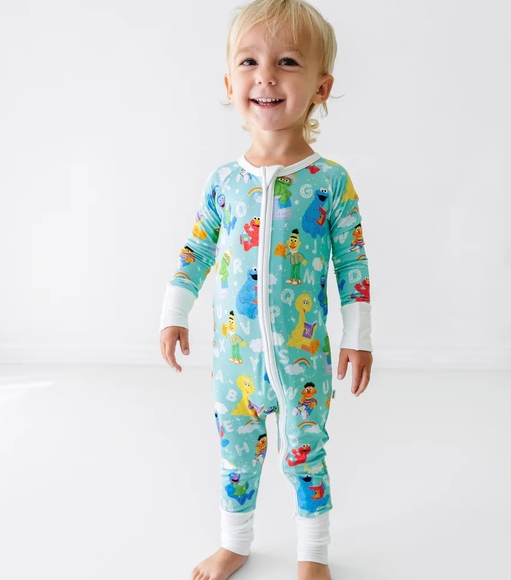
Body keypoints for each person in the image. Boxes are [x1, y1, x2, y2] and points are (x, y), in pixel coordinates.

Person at [159, 1, 373, 578]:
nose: (266, 76)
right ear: (230, 83)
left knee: (306, 456)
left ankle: (313, 555)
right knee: (236, 455)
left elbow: (352, 264)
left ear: (321, 87)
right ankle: (235, 543)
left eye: (287, 62)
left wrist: (358, 336)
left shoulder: (329, 182)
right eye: (249, 61)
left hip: (303, 362)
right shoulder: (224, 182)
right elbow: (196, 251)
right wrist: (174, 311)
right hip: (234, 366)